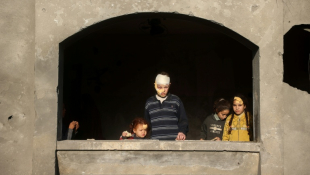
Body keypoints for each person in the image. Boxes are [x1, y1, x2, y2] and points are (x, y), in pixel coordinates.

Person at [144, 72, 189, 140]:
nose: (163, 90)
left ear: (169, 85)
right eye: (159, 87)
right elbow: (146, 125)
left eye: (166, 87)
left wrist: (182, 131)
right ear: (155, 85)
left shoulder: (176, 101)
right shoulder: (149, 103)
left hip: (173, 144)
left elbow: (183, 120)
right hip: (155, 145)